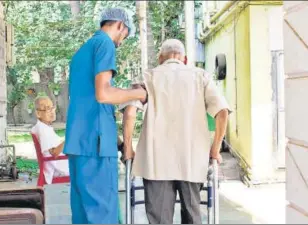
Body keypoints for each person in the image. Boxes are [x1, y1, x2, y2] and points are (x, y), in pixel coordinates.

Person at [120, 39, 231, 224]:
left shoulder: (148, 76)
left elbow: (130, 112)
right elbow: (222, 112)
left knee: (160, 219)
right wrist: (215, 149)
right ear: (185, 59)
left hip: (156, 162)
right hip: (192, 160)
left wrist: (128, 147)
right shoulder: (201, 76)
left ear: (160, 58)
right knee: (192, 215)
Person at [63, 8, 147, 224]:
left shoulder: (84, 50)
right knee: (102, 216)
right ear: (120, 25)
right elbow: (104, 94)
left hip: (80, 143)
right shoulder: (105, 44)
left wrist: (119, 142)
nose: (122, 42)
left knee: (83, 215)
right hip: (96, 146)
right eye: (125, 35)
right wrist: (140, 94)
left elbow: (91, 98)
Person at [31, 96, 69, 184]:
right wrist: (69, 138)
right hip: (59, 168)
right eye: (47, 109)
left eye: (52, 107)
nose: (52, 112)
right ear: (38, 113)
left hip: (61, 163)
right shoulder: (42, 129)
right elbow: (54, 153)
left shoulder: (44, 127)